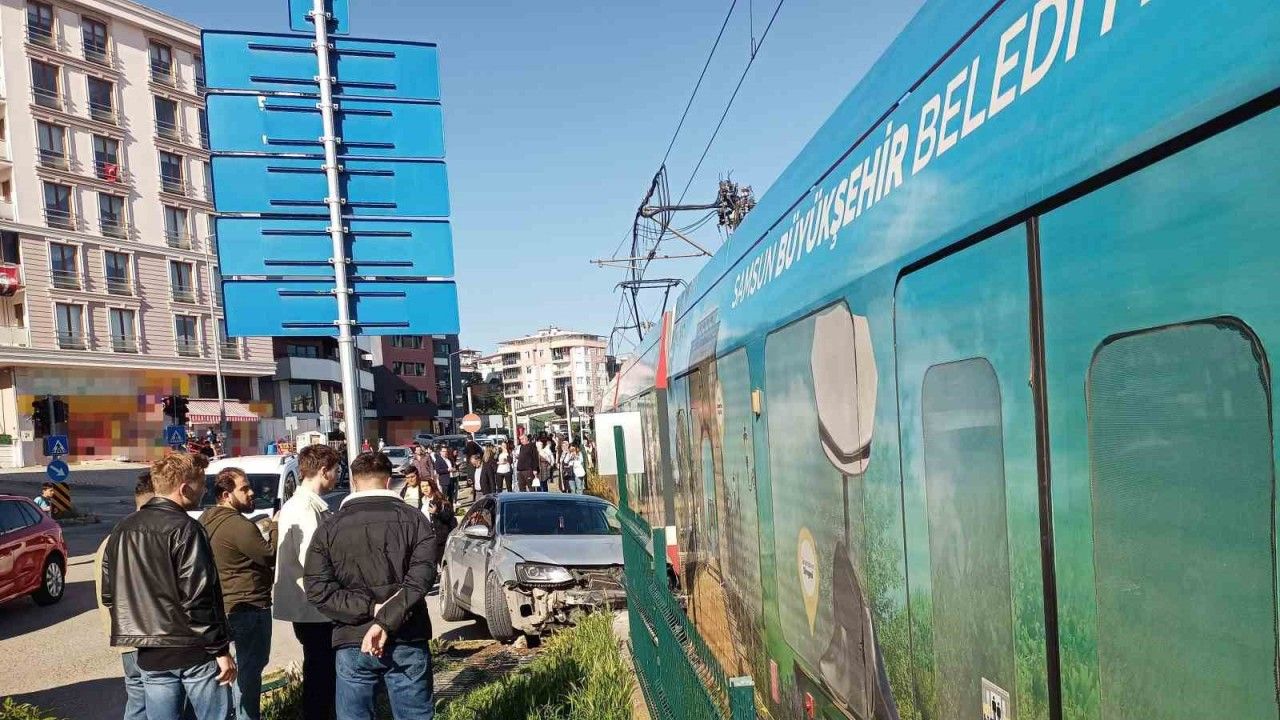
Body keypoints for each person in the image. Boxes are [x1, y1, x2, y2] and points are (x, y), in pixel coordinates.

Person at [101, 454, 236, 720]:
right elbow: (197, 598)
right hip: (194, 650)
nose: (205, 490)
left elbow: (110, 594)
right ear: (184, 488)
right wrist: (220, 650)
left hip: (150, 653)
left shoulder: (122, 529)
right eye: (201, 484)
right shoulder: (187, 529)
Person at [305, 452, 438, 719]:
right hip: (407, 634)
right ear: (388, 482)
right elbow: (421, 579)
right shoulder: (415, 520)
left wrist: (371, 610)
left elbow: (318, 589)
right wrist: (385, 617)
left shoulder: (329, 528)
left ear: (354, 483)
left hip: (353, 638)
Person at [201, 468, 277, 720]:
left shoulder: (206, 520)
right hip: (249, 607)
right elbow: (269, 555)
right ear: (226, 495)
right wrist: (275, 527)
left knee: (225, 672)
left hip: (221, 606)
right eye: (244, 488)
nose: (251, 492)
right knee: (249, 671)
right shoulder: (238, 525)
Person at [273, 443, 342, 720]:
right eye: (336, 470)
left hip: (311, 604)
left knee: (320, 669)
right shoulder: (304, 507)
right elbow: (315, 560)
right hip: (315, 606)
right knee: (321, 672)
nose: (337, 476)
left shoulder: (305, 504)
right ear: (324, 471)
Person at [95, 472, 157, 720]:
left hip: (125, 639)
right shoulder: (141, 539)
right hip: (149, 640)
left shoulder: (112, 539)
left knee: (138, 702)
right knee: (158, 703)